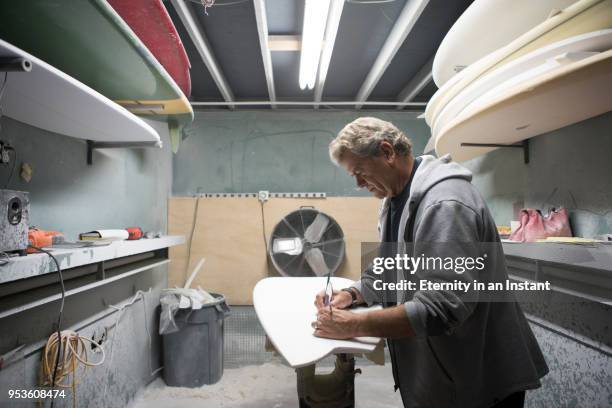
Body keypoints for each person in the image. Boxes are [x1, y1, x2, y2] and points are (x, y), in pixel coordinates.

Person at [312, 117, 548, 408]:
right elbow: (389, 268)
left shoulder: (444, 204)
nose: (359, 183)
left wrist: (355, 325)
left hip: (479, 379)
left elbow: (442, 306)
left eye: (360, 171)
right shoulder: (395, 199)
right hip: (444, 374)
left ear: (387, 152)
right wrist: (351, 294)